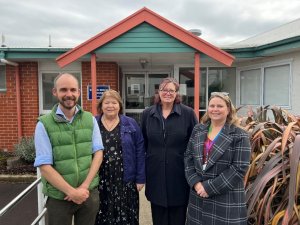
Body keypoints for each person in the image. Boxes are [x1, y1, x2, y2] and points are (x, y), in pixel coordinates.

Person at [34, 73, 104, 225]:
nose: (69, 94)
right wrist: (72, 192)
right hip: (60, 198)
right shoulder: (43, 124)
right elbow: (44, 166)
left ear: (79, 92)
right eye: (63, 90)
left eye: (73, 90)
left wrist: (84, 187)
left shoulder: (90, 119)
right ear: (55, 92)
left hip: (88, 194)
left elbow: (98, 154)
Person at [184, 92, 251, 225]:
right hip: (198, 199)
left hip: (225, 200)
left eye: (219, 106)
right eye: (212, 105)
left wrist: (208, 188)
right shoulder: (198, 129)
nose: (215, 109)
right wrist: (196, 183)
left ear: (228, 110)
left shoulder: (239, 135)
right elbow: (188, 157)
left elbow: (239, 168)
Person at [141, 77, 198, 225]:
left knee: (178, 217)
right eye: (164, 90)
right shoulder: (147, 114)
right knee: (158, 218)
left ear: (176, 93)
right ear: (158, 92)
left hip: (179, 175)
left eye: (171, 90)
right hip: (155, 174)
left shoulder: (188, 114)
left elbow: (195, 145)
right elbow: (143, 145)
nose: (167, 93)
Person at [94, 90, 145, 225]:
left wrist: (140, 178)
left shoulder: (131, 123)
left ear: (119, 105)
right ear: (101, 105)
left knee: (127, 216)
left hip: (126, 179)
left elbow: (140, 151)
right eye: (107, 103)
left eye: (114, 102)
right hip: (101, 178)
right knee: (102, 214)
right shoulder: (93, 123)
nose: (110, 106)